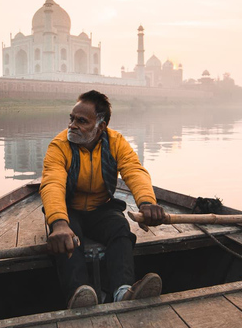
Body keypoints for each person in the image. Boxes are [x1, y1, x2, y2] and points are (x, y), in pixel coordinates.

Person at [41, 90, 166, 309]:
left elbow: (134, 171)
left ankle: (123, 292)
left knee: (120, 228)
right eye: (71, 119)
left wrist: (147, 203)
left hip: (101, 208)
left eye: (81, 121)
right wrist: (59, 224)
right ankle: (79, 295)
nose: (72, 125)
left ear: (101, 126)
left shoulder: (116, 142)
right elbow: (53, 183)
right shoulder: (59, 145)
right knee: (69, 238)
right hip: (68, 209)